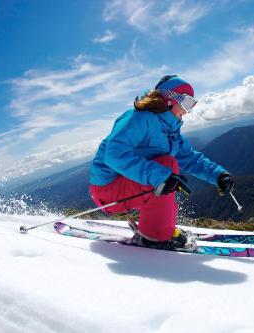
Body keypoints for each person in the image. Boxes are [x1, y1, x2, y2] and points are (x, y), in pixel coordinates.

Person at [89, 75, 235, 249]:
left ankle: (162, 228)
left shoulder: (170, 132)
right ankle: (153, 237)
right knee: (167, 169)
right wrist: (159, 175)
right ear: (170, 100)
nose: (188, 111)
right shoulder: (138, 118)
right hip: (107, 189)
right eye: (188, 103)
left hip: (130, 187)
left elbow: (190, 159)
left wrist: (218, 175)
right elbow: (114, 154)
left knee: (168, 173)